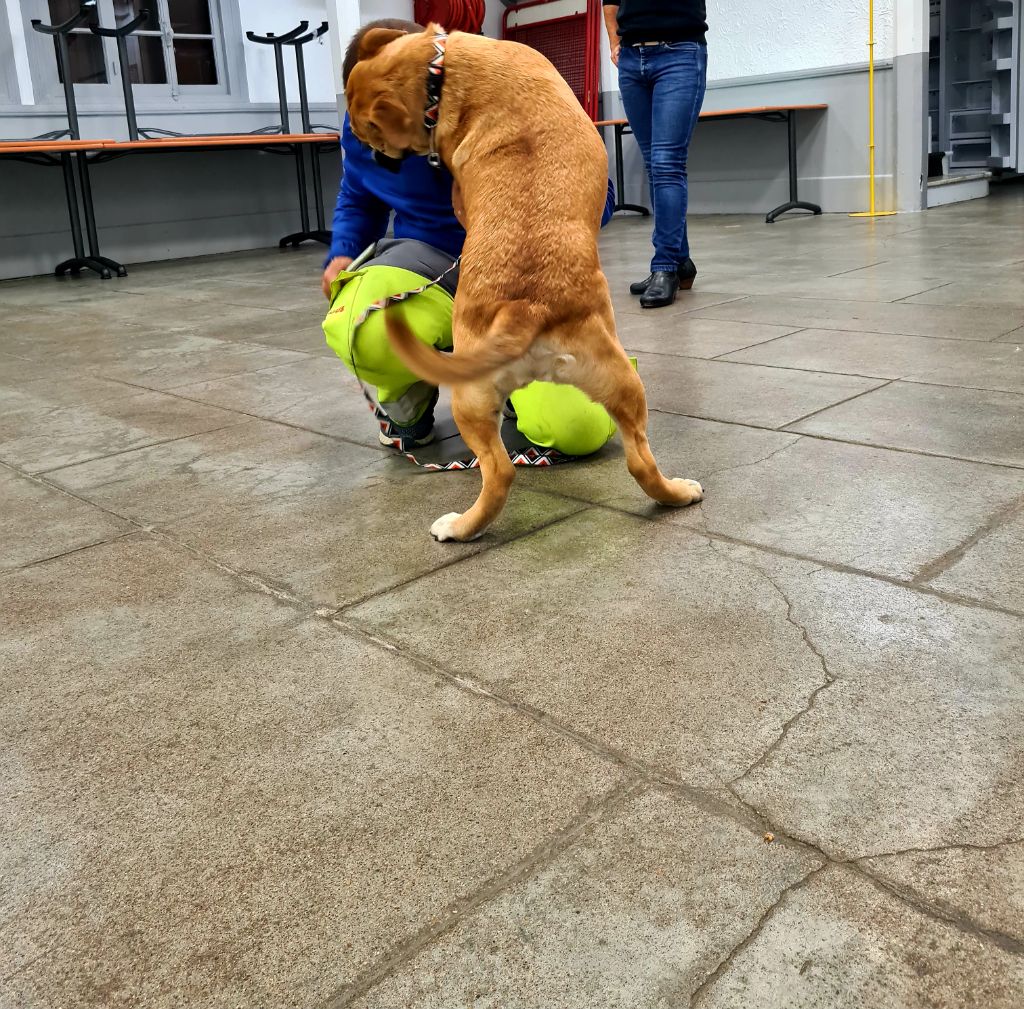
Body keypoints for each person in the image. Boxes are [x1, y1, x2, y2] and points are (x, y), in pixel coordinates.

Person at [322, 19, 619, 455]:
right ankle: (406, 404)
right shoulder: (367, 116)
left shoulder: (513, 89)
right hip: (430, 260)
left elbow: (602, 197)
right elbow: (359, 194)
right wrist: (343, 253)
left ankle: (525, 382)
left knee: (577, 430)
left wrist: (533, 212)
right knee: (360, 324)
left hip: (517, 277)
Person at [603, 1, 709, 309]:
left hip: (680, 53)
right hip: (633, 58)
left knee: (666, 163)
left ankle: (664, 267)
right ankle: (681, 263)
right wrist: (614, 40)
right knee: (655, 164)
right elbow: (609, 2)